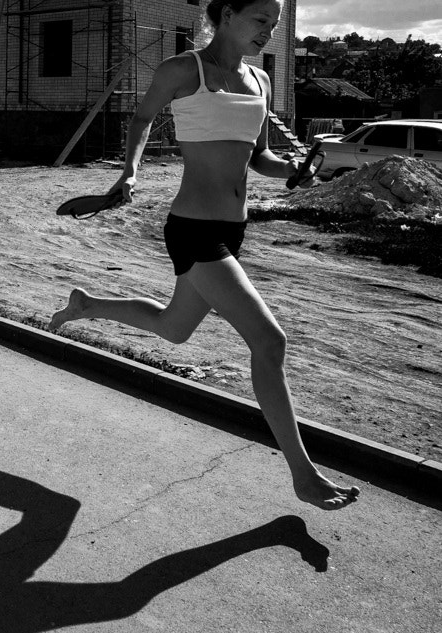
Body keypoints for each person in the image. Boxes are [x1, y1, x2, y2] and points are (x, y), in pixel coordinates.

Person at [49, 0, 360, 510]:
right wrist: (129, 171)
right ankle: (303, 475)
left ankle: (87, 305)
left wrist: (292, 173)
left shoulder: (259, 81)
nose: (269, 30)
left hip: (234, 230)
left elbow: (257, 155)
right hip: (193, 229)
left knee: (174, 327)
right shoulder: (184, 69)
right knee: (269, 341)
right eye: (261, 19)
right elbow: (142, 118)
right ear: (229, 13)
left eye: (276, 23)